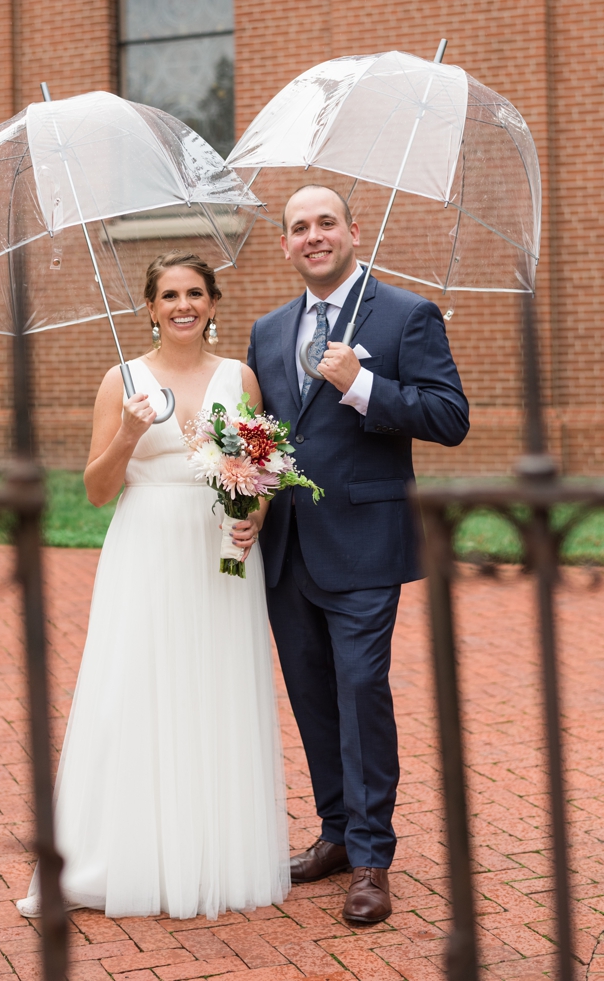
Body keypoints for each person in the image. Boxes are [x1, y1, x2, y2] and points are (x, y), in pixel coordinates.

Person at [17, 251, 289, 920]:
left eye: (195, 292)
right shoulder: (123, 379)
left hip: (221, 557)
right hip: (145, 549)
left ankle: (216, 849)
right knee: (135, 689)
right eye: (169, 294)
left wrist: (253, 515)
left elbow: (261, 473)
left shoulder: (240, 377)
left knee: (215, 688)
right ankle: (131, 853)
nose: (182, 304)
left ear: (214, 303)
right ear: (150, 306)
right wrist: (130, 433)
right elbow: (96, 489)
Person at [246, 184, 469, 924]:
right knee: (312, 698)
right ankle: (336, 832)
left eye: (326, 223)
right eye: (299, 227)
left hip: (367, 546)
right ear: (285, 244)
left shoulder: (406, 314)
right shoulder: (268, 329)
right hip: (287, 548)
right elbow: (264, 437)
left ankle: (373, 855)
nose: (314, 235)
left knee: (360, 692)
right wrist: (246, 496)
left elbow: (448, 416)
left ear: (352, 231)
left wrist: (363, 384)